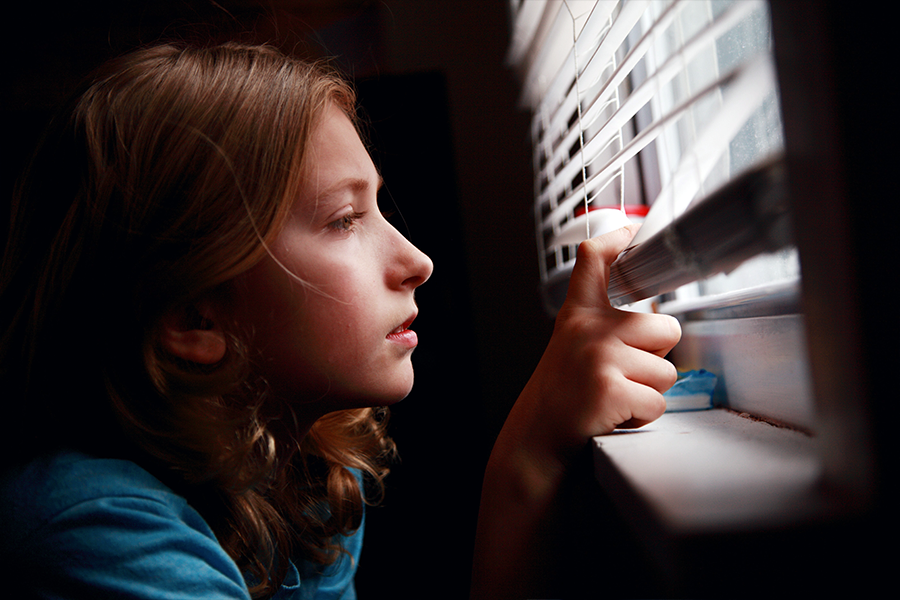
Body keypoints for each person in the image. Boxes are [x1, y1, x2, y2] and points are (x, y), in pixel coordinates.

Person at [0, 42, 680, 599]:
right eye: (343, 219)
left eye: (377, 207)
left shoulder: (305, 473)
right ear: (195, 315)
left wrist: (528, 460)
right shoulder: (96, 529)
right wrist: (526, 450)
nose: (418, 261)